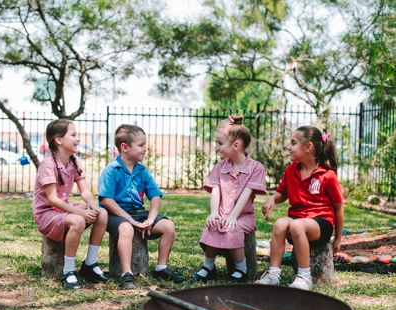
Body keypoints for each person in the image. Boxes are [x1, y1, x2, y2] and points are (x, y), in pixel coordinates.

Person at [98, 124, 186, 289]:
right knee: (126, 229)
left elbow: (155, 196)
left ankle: (161, 267)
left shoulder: (142, 171)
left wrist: (151, 219)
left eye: (145, 144)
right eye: (141, 145)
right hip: (115, 215)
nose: (145, 149)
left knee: (168, 226)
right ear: (124, 147)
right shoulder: (111, 170)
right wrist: (130, 220)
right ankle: (126, 274)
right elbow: (106, 201)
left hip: (139, 214)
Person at [256, 126, 343, 290]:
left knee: (296, 225)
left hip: (320, 223)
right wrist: (273, 198)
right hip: (298, 220)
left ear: (308, 147)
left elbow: (338, 208)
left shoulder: (327, 175)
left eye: (293, 143)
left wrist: (338, 238)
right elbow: (283, 193)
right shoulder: (290, 171)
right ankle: (274, 274)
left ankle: (304, 276)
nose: (288, 147)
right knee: (280, 223)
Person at [32, 119, 109, 290]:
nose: (78, 139)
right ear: (58, 140)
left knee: (102, 213)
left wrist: (92, 205)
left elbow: (85, 191)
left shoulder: (74, 160)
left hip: (63, 211)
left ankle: (89, 264)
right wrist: (80, 213)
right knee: (78, 221)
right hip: (47, 214)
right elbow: (53, 200)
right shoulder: (48, 164)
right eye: (73, 135)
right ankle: (68, 271)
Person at [192, 115, 267, 283]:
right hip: (223, 213)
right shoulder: (220, 167)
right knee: (213, 224)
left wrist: (233, 216)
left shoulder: (255, 168)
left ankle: (241, 268)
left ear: (236, 145)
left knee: (233, 229)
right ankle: (208, 266)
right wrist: (214, 213)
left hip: (243, 216)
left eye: (220, 143)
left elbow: (246, 193)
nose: (217, 147)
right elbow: (215, 191)